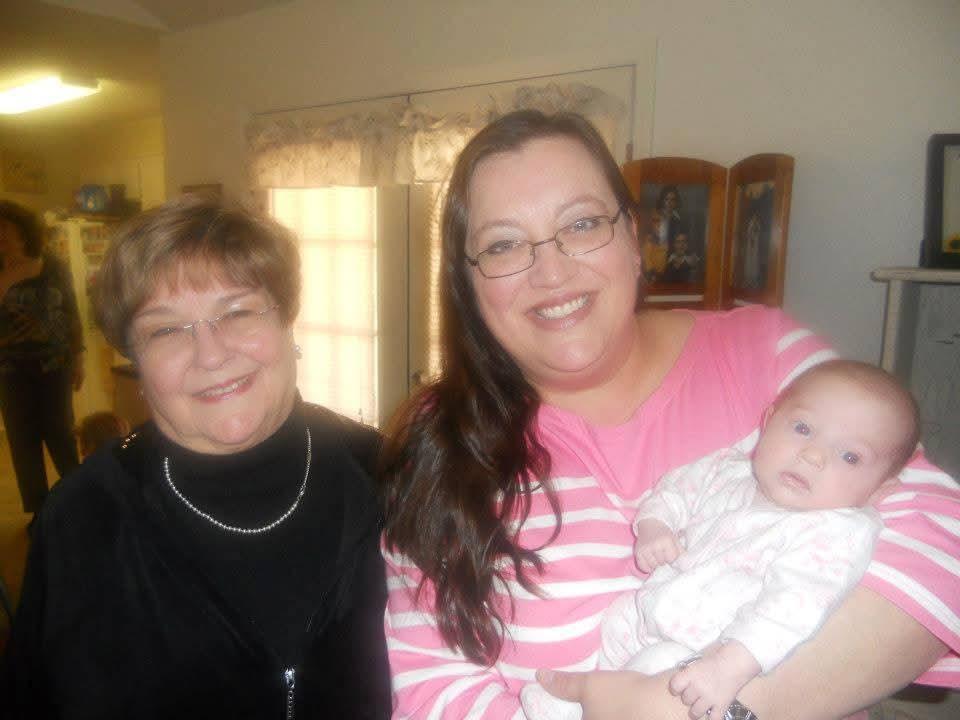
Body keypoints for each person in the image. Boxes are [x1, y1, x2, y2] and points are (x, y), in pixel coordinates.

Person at [378, 110, 960, 720]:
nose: (551, 272)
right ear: (466, 281)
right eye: (503, 244)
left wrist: (711, 708)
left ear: (634, 238)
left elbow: (939, 550)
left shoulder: (763, 358)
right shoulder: (438, 439)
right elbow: (432, 688)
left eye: (581, 224)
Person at [1, 195, 391, 719]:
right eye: (165, 329)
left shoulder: (390, 477)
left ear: (287, 322)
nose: (211, 354)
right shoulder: (81, 519)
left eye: (236, 311)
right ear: (136, 363)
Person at [521, 359, 920, 720]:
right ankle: (579, 705)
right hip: (653, 613)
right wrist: (655, 527)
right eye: (803, 429)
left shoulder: (835, 531)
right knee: (617, 628)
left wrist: (730, 665)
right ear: (769, 421)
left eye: (850, 457)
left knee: (663, 670)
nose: (813, 456)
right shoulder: (731, 471)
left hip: (713, 650)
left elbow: (793, 607)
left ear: (879, 491)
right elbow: (675, 492)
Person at [0, 201, 83, 525]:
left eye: (5, 231)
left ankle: (79, 499)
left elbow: (72, 314)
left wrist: (79, 358)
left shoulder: (51, 265)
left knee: (60, 432)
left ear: (23, 232)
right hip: (8, 369)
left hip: (54, 363)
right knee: (22, 440)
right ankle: (39, 511)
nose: (1, 238)